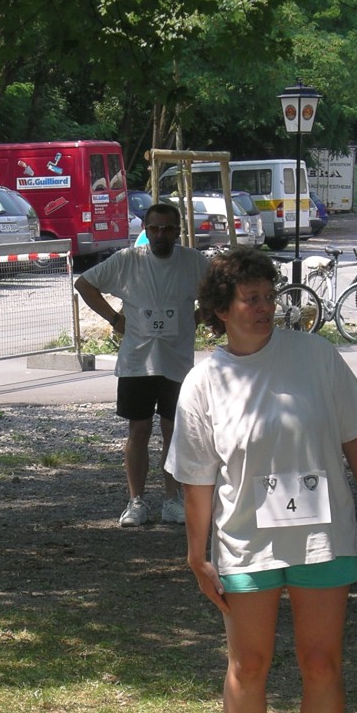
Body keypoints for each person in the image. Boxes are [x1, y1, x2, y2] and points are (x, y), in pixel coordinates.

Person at [167, 247, 357, 713]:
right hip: (246, 542)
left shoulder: (316, 356)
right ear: (222, 309)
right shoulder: (204, 381)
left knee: (321, 662)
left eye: (270, 296)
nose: (266, 307)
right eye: (251, 298)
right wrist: (197, 554)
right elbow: (197, 478)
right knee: (249, 664)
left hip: (324, 537)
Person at [75, 202, 208, 527]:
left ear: (178, 231)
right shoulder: (128, 260)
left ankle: (172, 500)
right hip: (137, 362)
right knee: (139, 430)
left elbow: (221, 292)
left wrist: (199, 317)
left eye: (168, 228)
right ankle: (136, 501)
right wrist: (114, 318)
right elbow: (85, 284)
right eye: (155, 229)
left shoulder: (193, 261)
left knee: (173, 432)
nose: (161, 234)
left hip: (177, 362)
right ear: (146, 231)